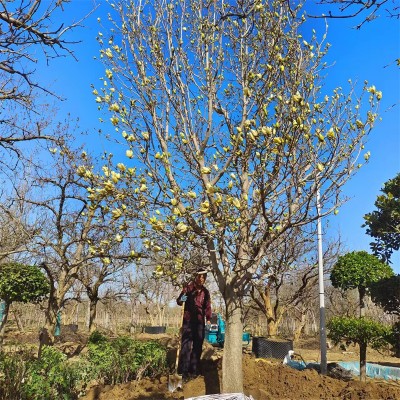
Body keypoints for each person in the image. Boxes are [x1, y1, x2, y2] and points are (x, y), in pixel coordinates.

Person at [176, 268, 212, 379]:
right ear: (195, 277)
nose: (201, 279)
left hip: (200, 322)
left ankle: (194, 370)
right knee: (186, 346)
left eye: (203, 277)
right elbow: (179, 301)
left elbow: (208, 307)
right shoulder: (188, 288)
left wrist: (208, 318)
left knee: (197, 347)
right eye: (199, 277)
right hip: (188, 320)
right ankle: (184, 371)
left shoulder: (205, 292)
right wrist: (184, 296)